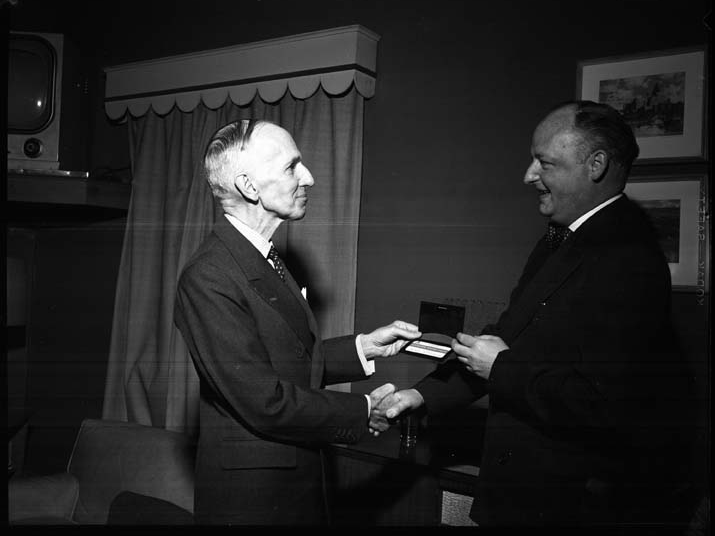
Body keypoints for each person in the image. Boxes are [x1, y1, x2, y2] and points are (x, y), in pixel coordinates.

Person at [372, 101, 691, 529]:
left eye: (545, 162)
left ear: (596, 165)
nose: (528, 175)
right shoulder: (560, 239)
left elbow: (604, 404)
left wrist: (501, 367)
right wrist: (421, 396)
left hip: (570, 510)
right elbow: (504, 338)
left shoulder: (629, 259)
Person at [174, 119, 421, 525]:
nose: (308, 177)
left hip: (295, 480)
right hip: (252, 501)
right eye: (292, 167)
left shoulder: (262, 257)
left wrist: (363, 348)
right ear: (249, 187)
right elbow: (264, 400)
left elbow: (286, 357)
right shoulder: (209, 276)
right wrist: (363, 409)